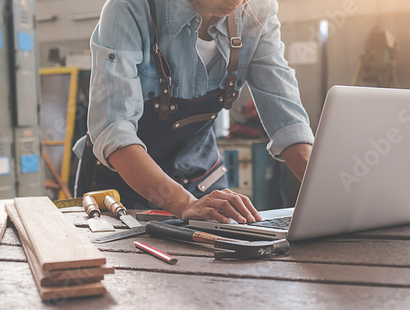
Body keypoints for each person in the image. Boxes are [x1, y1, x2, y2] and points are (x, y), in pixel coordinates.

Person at [73, 0, 314, 225]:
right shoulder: (130, 8)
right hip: (121, 193)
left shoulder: (258, 10)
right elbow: (114, 130)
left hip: (204, 183)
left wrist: (328, 193)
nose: (239, 1)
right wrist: (184, 203)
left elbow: (287, 119)